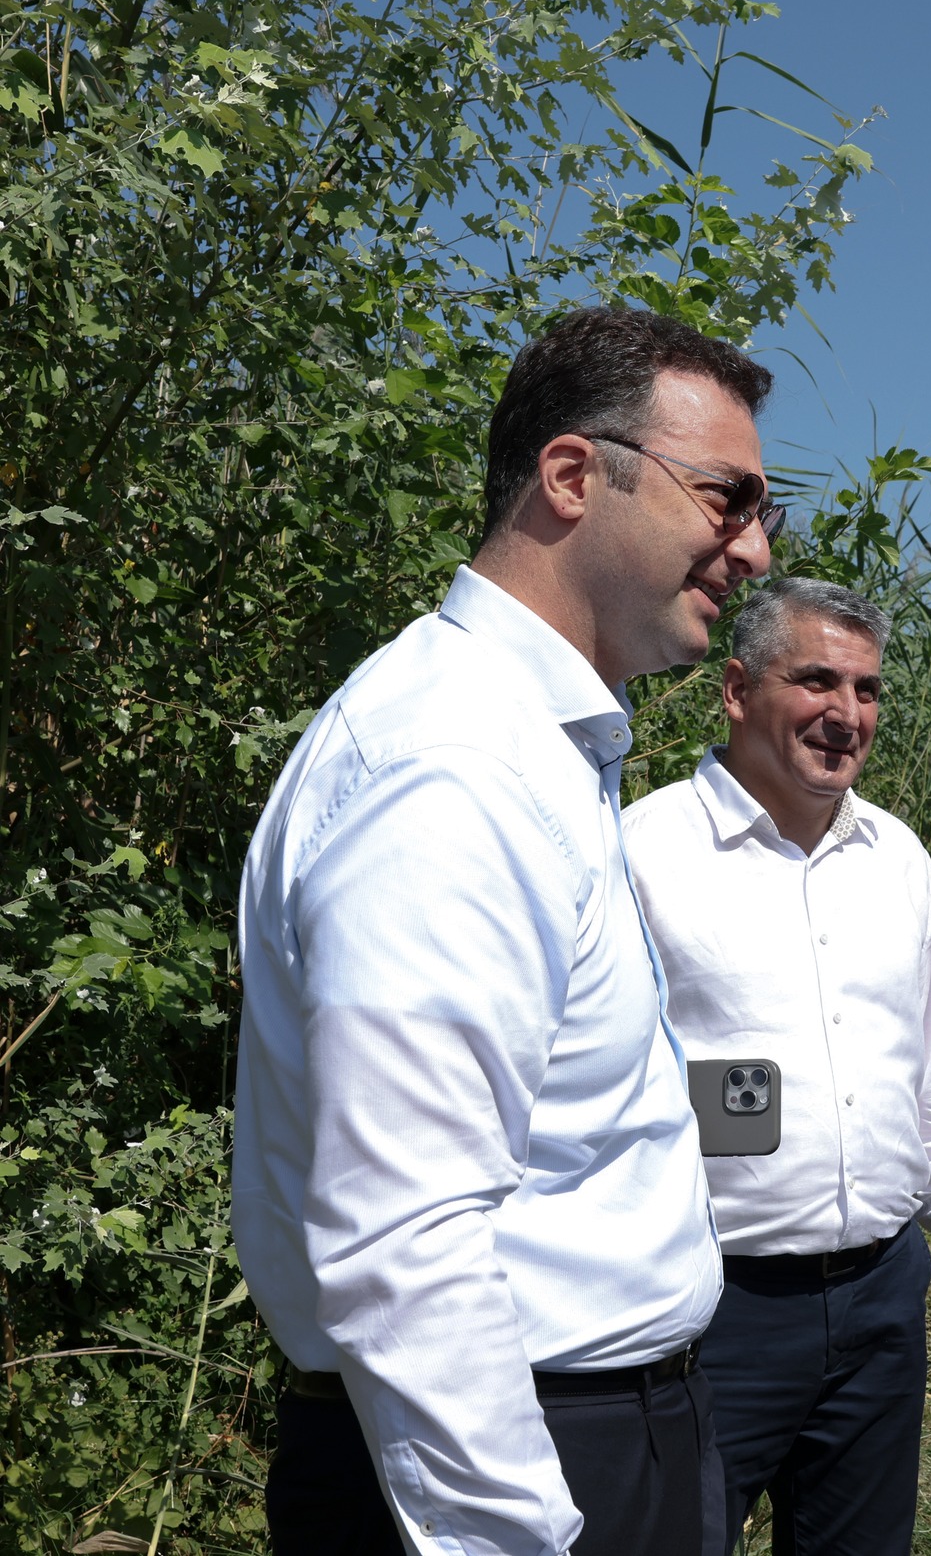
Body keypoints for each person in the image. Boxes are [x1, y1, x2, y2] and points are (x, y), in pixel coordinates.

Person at [235, 307, 776, 1555]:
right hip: (516, 1461)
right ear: (573, 476)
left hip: (599, 1430)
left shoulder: (526, 744)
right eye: (725, 498)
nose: (752, 549)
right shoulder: (453, 766)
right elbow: (405, 1237)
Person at [621, 577, 931, 1555]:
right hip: (707, 1310)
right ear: (736, 689)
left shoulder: (896, 858)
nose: (847, 713)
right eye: (818, 681)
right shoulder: (644, 854)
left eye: (867, 689)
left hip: (881, 1300)